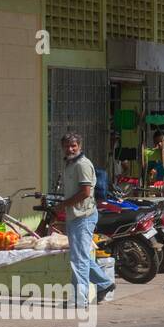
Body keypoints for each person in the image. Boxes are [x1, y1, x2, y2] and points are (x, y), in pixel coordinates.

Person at [59, 132, 114, 308]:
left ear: (80, 146)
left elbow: (85, 192)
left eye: (73, 145)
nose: (70, 148)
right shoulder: (69, 163)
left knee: (78, 259)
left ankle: (79, 299)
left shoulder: (82, 164)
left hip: (84, 216)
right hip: (74, 215)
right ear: (63, 147)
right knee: (81, 256)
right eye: (67, 145)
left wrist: (63, 205)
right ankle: (104, 284)